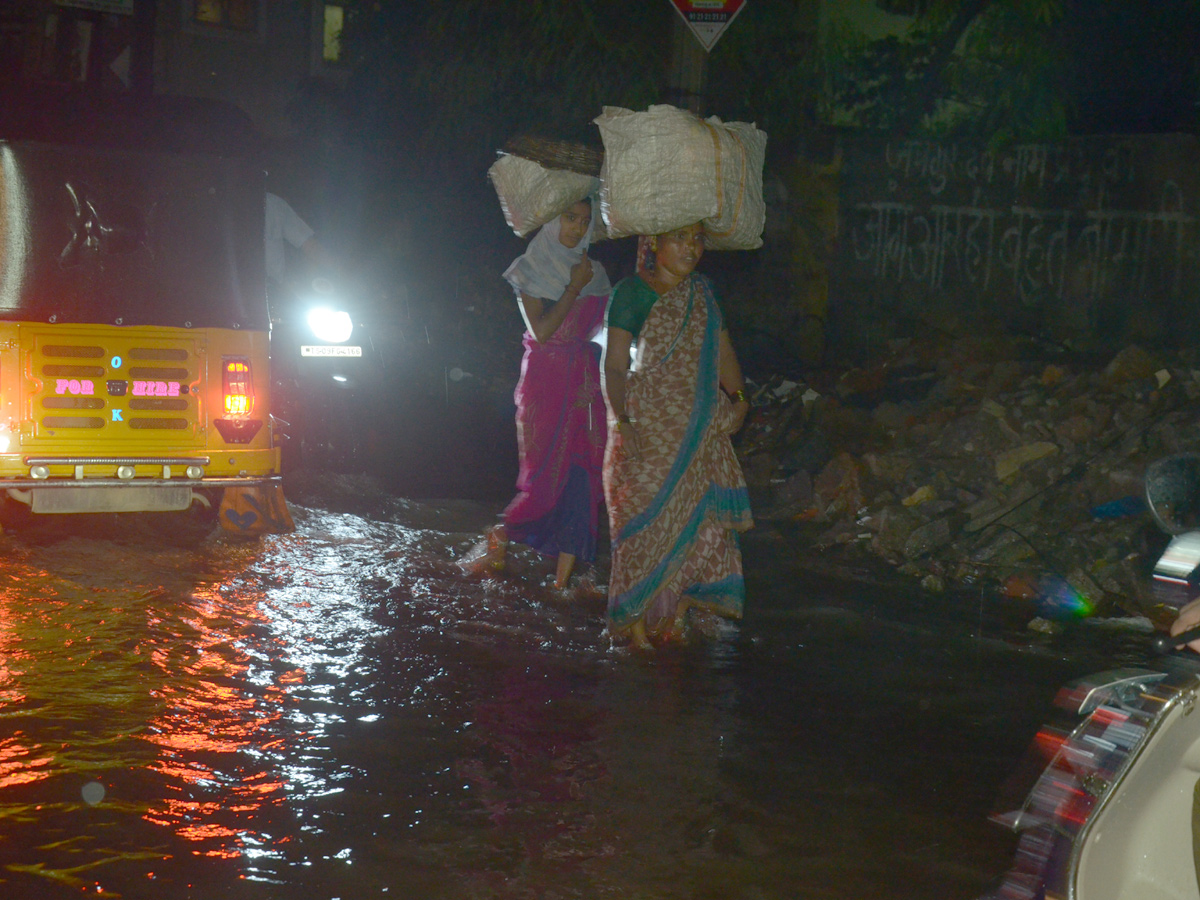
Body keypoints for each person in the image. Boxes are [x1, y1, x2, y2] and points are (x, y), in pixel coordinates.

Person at [601, 223, 753, 650]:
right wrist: (622, 421)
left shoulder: (704, 293)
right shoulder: (632, 293)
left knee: (701, 522)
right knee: (640, 518)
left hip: (700, 427)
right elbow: (614, 367)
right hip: (649, 426)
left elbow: (723, 351)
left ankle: (678, 612)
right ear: (653, 243)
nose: (691, 248)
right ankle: (633, 624)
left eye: (697, 239)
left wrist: (739, 398)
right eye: (680, 238)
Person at [479, 199, 612, 589]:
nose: (576, 227)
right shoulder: (530, 269)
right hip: (546, 384)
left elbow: (603, 329)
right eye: (569, 218)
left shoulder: (596, 272)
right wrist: (574, 286)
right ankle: (501, 535)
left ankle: (561, 586)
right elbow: (543, 332)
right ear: (552, 220)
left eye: (584, 221)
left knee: (582, 476)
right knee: (544, 478)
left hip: (586, 383)